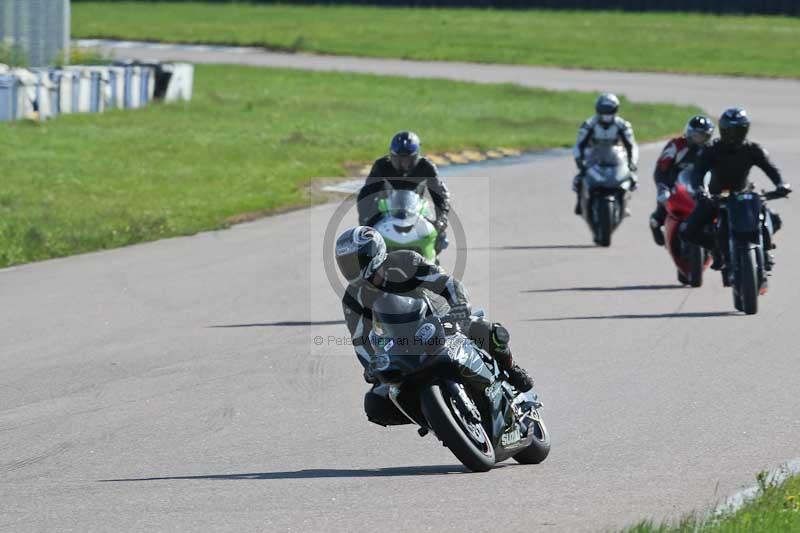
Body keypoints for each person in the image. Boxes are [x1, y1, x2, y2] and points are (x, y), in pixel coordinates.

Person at [335, 226, 534, 427]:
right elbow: (360, 339)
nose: (350, 267)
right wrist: (371, 365)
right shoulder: (352, 298)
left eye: (355, 260)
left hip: (439, 320)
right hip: (399, 346)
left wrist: (459, 309)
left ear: (373, 252)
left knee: (483, 330)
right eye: (345, 263)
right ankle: (435, 421)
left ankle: (511, 368)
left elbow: (447, 283)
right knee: (375, 404)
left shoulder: (404, 261)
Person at [682, 108, 791, 269]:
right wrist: (700, 191)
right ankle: (717, 249)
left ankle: (765, 251)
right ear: (722, 130)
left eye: (738, 130)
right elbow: (697, 172)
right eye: (729, 131)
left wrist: (781, 184)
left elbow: (771, 169)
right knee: (688, 231)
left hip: (744, 196)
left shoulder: (752, 149)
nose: (733, 136)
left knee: (774, 220)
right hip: (715, 197)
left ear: (745, 130)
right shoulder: (711, 149)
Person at [357, 131, 450, 254]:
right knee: (365, 242)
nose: (403, 164)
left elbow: (440, 195)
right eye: (398, 159)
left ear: (416, 156)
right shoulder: (382, 166)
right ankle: (370, 268)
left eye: (407, 160)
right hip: (385, 211)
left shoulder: (426, 166)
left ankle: (434, 262)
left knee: (439, 236)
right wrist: (365, 220)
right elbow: (366, 194)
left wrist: (441, 220)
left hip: (417, 211)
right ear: (391, 155)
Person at [648, 115, 715, 246]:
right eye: (696, 135)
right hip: (676, 187)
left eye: (703, 136)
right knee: (660, 212)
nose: (699, 140)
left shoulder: (711, 149)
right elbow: (661, 168)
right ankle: (656, 223)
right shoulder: (676, 145)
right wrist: (663, 187)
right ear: (689, 133)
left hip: (703, 188)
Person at [572, 93, 639, 215]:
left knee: (632, 179)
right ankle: (579, 203)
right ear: (598, 110)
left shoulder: (623, 125)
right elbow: (578, 145)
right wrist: (579, 161)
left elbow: (631, 145)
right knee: (579, 179)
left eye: (610, 111)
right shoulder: (589, 124)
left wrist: (632, 162)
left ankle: (624, 203)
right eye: (604, 111)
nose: (607, 114)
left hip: (615, 155)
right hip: (593, 155)